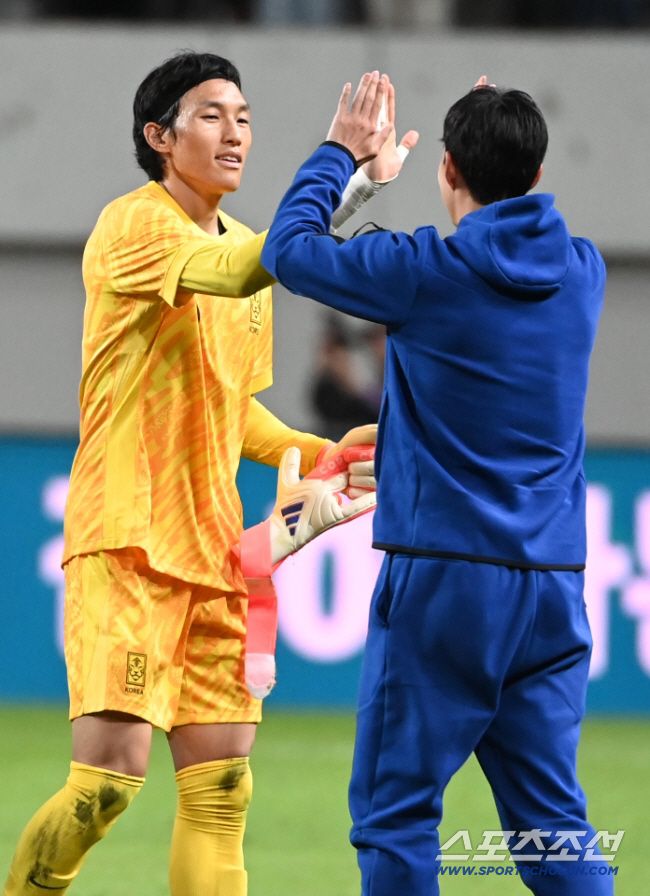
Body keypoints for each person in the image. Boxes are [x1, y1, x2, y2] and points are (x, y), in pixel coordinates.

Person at [1, 52, 409, 896]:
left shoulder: (250, 258)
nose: (235, 133)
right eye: (213, 115)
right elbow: (239, 268)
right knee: (106, 786)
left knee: (221, 793)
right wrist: (343, 173)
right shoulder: (134, 226)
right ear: (160, 136)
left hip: (217, 553)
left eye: (246, 118)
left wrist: (317, 450)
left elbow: (233, 410)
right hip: (129, 543)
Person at [261, 72, 612, 894]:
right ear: (536, 173)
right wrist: (501, 124)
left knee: (397, 817)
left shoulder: (423, 271)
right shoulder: (584, 276)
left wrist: (344, 155)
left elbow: (288, 248)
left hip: (447, 580)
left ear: (447, 169)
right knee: (553, 832)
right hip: (554, 588)